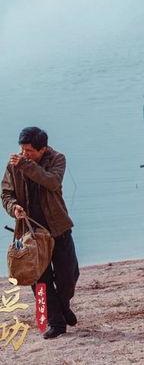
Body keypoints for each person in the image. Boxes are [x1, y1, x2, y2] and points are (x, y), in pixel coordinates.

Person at [1, 127, 79, 339]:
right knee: (39, 281)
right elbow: (6, 194)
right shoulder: (13, 165)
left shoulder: (57, 159)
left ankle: (63, 306)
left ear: (43, 149)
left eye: (29, 151)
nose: (24, 154)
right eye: (22, 150)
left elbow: (52, 182)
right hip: (30, 233)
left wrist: (26, 165)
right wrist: (14, 208)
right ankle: (56, 322)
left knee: (69, 275)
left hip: (58, 228)